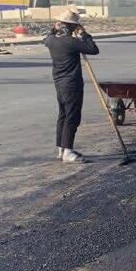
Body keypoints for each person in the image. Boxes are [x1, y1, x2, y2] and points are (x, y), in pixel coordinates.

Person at [43, 8, 98, 162]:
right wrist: (84, 35)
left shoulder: (51, 40)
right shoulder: (72, 42)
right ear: (72, 27)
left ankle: (61, 149)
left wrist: (54, 29)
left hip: (59, 83)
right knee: (72, 117)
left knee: (63, 115)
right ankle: (68, 151)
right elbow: (94, 49)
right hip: (72, 84)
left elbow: (46, 38)